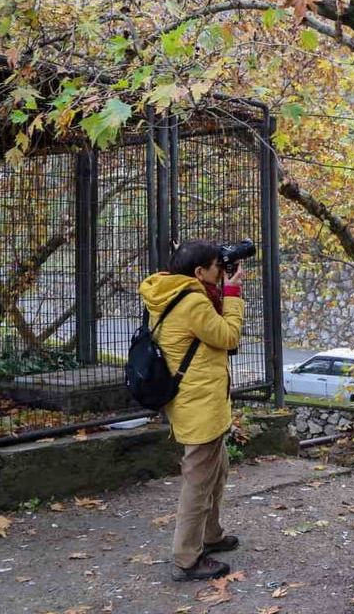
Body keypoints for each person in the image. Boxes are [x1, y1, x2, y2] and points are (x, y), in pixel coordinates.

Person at [138, 240, 246, 581]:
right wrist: (232, 292)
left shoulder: (168, 290)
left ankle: (210, 535)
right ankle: (187, 558)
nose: (221, 270)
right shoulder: (193, 302)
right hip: (199, 405)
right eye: (217, 266)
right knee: (198, 483)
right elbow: (228, 336)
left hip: (196, 400)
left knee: (218, 471)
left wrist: (220, 286)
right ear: (199, 273)